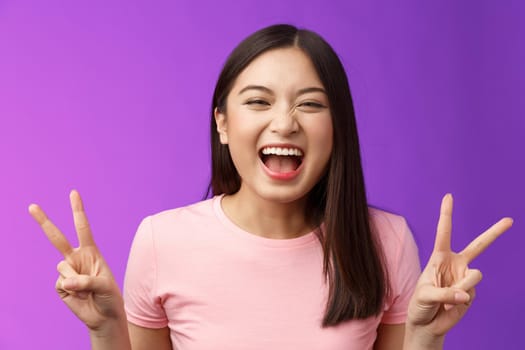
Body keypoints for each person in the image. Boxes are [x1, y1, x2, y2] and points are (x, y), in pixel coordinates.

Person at [29, 24, 513, 350]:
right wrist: (107, 328)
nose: (285, 123)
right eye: (258, 101)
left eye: (310, 104)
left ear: (338, 127)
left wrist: (426, 339)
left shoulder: (386, 241)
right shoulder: (161, 241)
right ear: (222, 123)